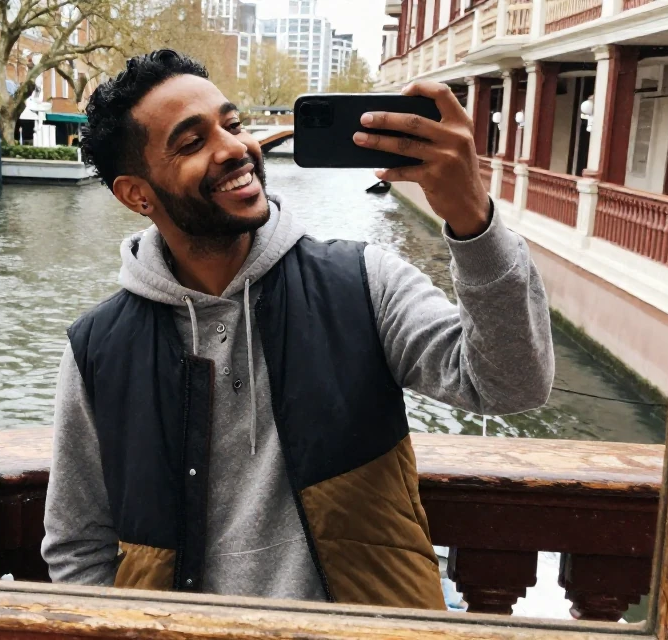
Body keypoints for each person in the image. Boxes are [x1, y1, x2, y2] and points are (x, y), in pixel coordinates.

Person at [41, 50, 554, 609]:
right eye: (192, 143)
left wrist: (472, 219)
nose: (236, 147)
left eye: (232, 125)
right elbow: (77, 544)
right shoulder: (97, 349)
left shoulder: (363, 281)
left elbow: (512, 384)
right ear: (136, 194)